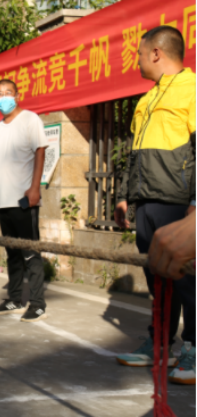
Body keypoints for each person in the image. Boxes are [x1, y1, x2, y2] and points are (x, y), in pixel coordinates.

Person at [114, 26, 195, 385]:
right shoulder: (147, 99)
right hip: (146, 203)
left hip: (178, 204)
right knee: (157, 277)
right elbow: (134, 154)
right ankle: (160, 343)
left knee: (187, 279)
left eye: (139, 53)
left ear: (157, 53)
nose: (137, 60)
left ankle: (193, 347)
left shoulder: (191, 89)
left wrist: (195, 203)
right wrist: (124, 196)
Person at [0, 79, 49, 323]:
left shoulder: (30, 119)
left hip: (24, 199)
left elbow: (40, 151)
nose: (3, 98)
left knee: (30, 252)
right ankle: (14, 299)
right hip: (4, 201)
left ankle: (38, 303)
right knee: (12, 252)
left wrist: (35, 188)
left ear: (17, 95)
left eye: (7, 93)